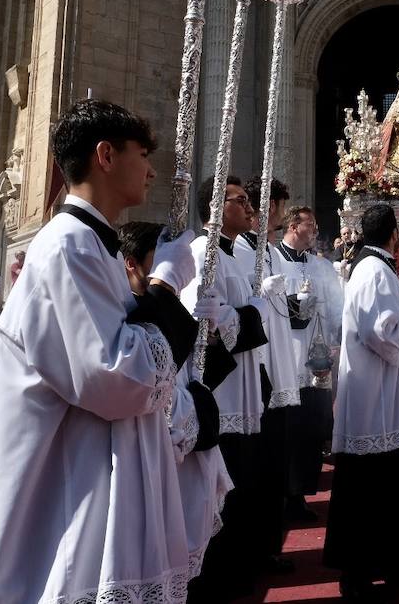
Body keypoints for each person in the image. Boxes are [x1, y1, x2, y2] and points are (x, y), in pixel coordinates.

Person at [0, 98, 206, 604]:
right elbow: (116, 378)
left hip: (102, 477)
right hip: (70, 497)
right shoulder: (68, 246)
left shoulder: (95, 244)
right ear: (106, 155)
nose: (152, 169)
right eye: (143, 154)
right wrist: (163, 285)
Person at [324, 202, 399, 600]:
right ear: (394, 234)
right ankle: (370, 570)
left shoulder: (371, 267)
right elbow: (384, 334)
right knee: (378, 488)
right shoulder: (376, 271)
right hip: (379, 402)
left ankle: (389, 564)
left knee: (379, 487)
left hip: (377, 396)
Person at [118, 219, 230, 594]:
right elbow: (151, 387)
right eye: (162, 258)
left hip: (185, 447)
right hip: (159, 454)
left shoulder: (163, 309)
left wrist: (210, 338)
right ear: (132, 263)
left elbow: (190, 375)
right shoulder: (130, 313)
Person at [183, 174, 272, 602]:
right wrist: (254, 312)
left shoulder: (232, 253)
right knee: (219, 500)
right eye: (241, 199)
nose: (251, 206)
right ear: (218, 205)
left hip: (243, 391)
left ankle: (236, 575)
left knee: (241, 492)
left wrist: (249, 310)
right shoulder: (204, 253)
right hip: (222, 396)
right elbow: (208, 319)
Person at [237, 176, 302, 572]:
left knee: (274, 463)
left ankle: (269, 544)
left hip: (279, 369)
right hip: (259, 371)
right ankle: (258, 549)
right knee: (258, 467)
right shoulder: (245, 252)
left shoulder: (270, 251)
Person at [273, 205, 344, 522]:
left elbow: (337, 308)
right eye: (310, 224)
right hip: (286, 360)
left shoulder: (323, 267)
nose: (315, 229)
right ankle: (284, 494)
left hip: (317, 360)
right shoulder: (273, 262)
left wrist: (334, 342)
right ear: (292, 225)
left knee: (313, 427)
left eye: (316, 225)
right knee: (289, 429)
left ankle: (301, 493)